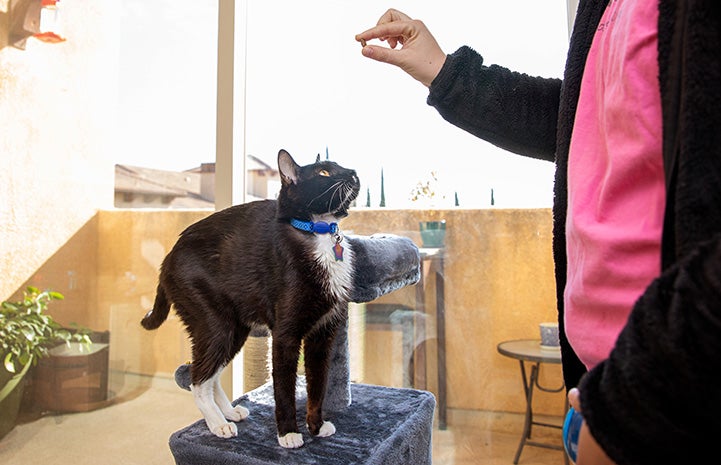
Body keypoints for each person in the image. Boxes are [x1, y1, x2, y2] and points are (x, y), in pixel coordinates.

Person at [355, 3, 721, 464]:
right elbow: (573, 116)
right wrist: (443, 70)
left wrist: (635, 407)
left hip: (672, 402)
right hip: (598, 389)